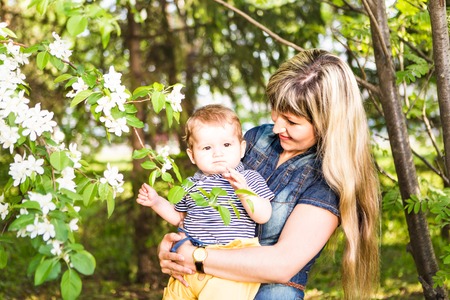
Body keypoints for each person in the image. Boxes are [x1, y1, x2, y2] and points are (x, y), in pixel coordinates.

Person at [157, 49, 380, 300]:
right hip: (203, 282)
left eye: (291, 121)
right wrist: (172, 248)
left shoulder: (329, 180)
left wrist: (197, 256)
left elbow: (281, 264)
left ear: (328, 123)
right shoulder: (256, 139)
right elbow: (204, 203)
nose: (276, 126)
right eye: (276, 111)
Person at [136, 104, 275, 299]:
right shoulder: (191, 185)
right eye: (207, 147)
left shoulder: (249, 179)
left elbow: (263, 215)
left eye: (227, 145)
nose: (218, 153)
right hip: (188, 266)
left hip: (230, 267)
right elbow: (179, 217)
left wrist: (243, 192)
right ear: (192, 155)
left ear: (241, 148)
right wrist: (156, 201)